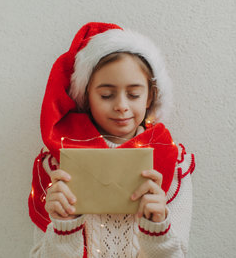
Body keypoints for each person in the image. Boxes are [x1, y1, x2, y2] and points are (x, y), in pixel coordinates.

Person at [28, 22, 195, 258]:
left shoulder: (174, 163)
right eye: (106, 95)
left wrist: (157, 229)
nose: (121, 106)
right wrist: (64, 228)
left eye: (134, 94)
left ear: (150, 97)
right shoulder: (56, 162)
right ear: (86, 96)